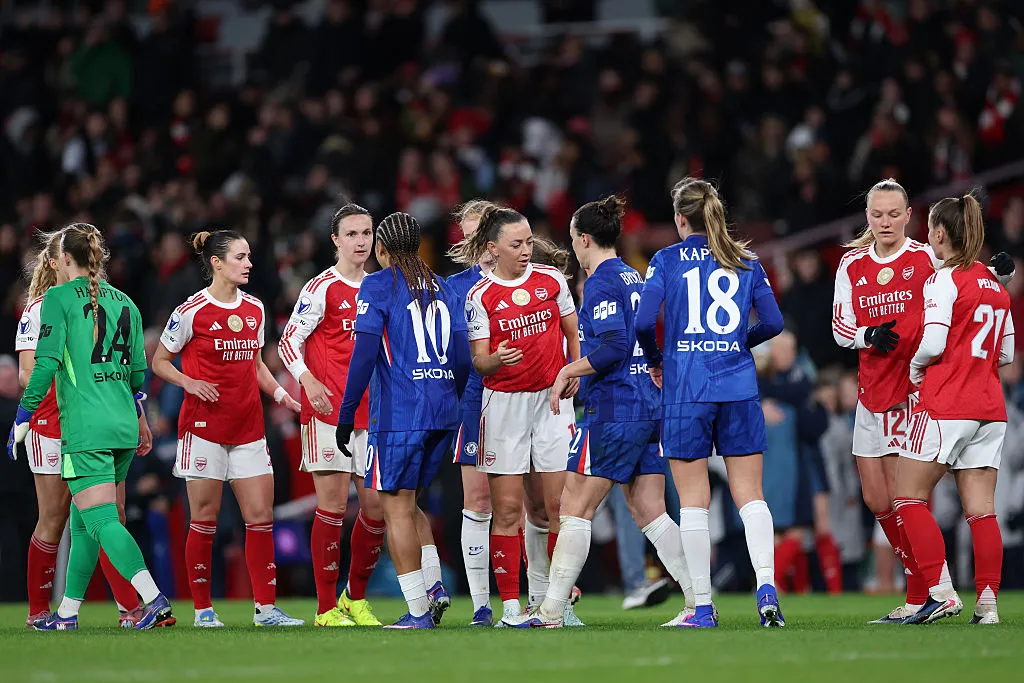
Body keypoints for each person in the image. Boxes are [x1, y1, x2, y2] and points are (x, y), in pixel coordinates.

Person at [503, 196, 695, 628]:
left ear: (583, 238)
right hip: (646, 403)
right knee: (650, 510)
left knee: (574, 505)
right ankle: (699, 602)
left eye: (572, 238)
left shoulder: (603, 282)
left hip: (616, 408)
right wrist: (584, 375)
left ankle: (551, 610)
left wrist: (569, 369)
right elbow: (635, 343)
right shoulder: (632, 276)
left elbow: (612, 348)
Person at [831, 178, 1014, 623]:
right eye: (877, 215)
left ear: (910, 216)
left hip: (915, 394)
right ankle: (933, 589)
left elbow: (966, 276)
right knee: (877, 500)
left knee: (905, 496)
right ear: (868, 218)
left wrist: (995, 272)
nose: (885, 222)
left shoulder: (926, 257)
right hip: (870, 392)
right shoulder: (852, 264)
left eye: (894, 214)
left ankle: (925, 591)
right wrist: (865, 335)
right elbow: (840, 327)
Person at [636, 178, 785, 628]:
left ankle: (702, 606)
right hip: (737, 384)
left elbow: (645, 321)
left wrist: (657, 359)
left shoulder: (665, 259)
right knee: (751, 496)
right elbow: (774, 323)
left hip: (687, 387)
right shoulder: (746, 260)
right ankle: (766, 587)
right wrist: (740, 341)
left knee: (694, 501)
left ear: (681, 219)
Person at [8, 223, 173, 630]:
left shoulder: (57, 301)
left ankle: (151, 600)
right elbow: (138, 375)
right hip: (118, 424)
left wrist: (22, 417)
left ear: (64, 258)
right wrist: (141, 419)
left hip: (81, 424)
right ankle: (63, 614)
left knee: (100, 519)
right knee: (79, 523)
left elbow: (40, 367)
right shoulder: (126, 303)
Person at [152, 230, 304, 628]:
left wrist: (280, 395)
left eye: (249, 256)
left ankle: (266, 609)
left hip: (250, 428)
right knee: (204, 518)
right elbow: (160, 361)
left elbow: (255, 365)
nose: (249, 263)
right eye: (240, 257)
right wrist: (188, 382)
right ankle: (203, 610)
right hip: (203, 429)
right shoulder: (192, 311)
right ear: (217, 263)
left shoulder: (255, 308)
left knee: (260, 517)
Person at [335, 212, 469, 629]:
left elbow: (363, 355)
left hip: (400, 414)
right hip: (443, 410)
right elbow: (463, 355)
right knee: (410, 504)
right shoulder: (442, 286)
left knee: (394, 508)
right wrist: (452, 398)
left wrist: (345, 414)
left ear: (381, 248)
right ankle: (433, 586)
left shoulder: (376, 285)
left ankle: (416, 611)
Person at [453, 205, 582, 625]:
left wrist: (572, 368)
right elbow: (479, 363)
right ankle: (510, 605)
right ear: (493, 248)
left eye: (529, 241)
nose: (526, 250)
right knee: (507, 511)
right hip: (504, 405)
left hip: (551, 402)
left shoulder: (551, 281)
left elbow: (570, 328)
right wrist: (496, 358)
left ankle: (554, 602)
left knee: (559, 506)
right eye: (517, 244)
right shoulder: (479, 296)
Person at [897, 194, 1012, 625]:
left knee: (907, 497)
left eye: (929, 228)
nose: (927, 235)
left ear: (941, 233)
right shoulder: (994, 283)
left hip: (948, 403)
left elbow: (932, 343)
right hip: (990, 407)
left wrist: (915, 368)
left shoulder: (945, 279)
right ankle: (988, 604)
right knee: (982, 510)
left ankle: (942, 592)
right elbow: (1006, 353)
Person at [278, 203, 385, 627]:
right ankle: (324, 608)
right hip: (328, 412)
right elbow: (289, 339)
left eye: (367, 233)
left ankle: (353, 598)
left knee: (375, 510)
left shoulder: (380, 287)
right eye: (353, 234)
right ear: (336, 241)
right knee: (333, 507)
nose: (362, 241)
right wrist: (307, 380)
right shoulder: (321, 287)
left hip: (372, 415)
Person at [444, 200, 498, 627]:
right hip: (474, 401)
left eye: (480, 230)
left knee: (535, 505)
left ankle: (541, 599)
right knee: (477, 500)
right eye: (467, 233)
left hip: (528, 400)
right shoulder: (453, 287)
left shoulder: (533, 279)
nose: (473, 239)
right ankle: (481, 603)